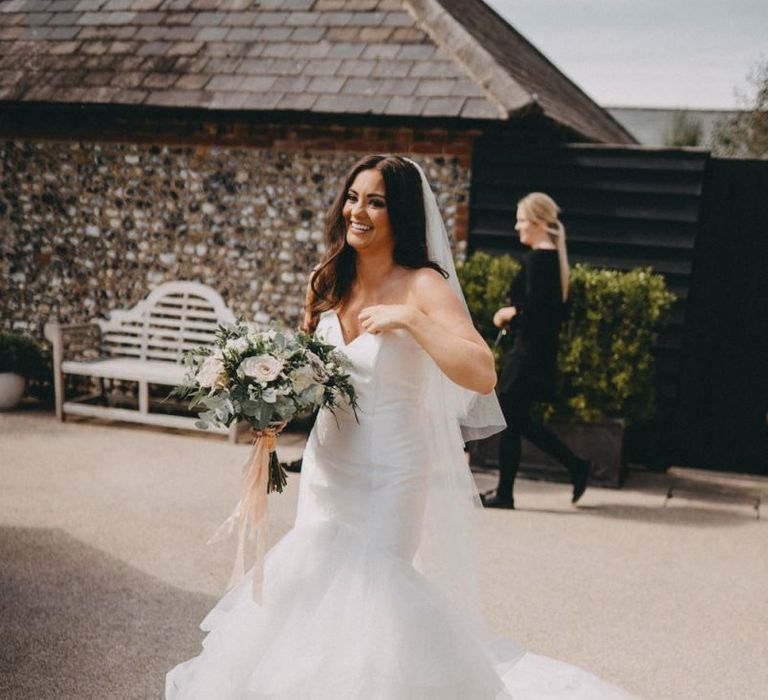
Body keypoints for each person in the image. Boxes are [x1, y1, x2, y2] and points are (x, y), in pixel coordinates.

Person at [166, 156, 634, 699]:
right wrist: (267, 399)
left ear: (402, 213)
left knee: (376, 597)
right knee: (314, 587)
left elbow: (482, 373)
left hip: (391, 473)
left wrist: (410, 319)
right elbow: (310, 371)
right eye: (353, 197)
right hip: (328, 467)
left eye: (376, 201)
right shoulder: (327, 279)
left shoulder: (422, 285)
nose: (357, 211)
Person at [481, 193, 591, 510]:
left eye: (522, 220)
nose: (517, 227)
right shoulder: (551, 260)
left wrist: (507, 313)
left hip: (528, 353)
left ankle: (508, 492)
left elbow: (538, 313)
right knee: (515, 420)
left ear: (540, 222)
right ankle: (569, 468)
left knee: (510, 417)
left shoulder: (538, 261)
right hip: (535, 352)